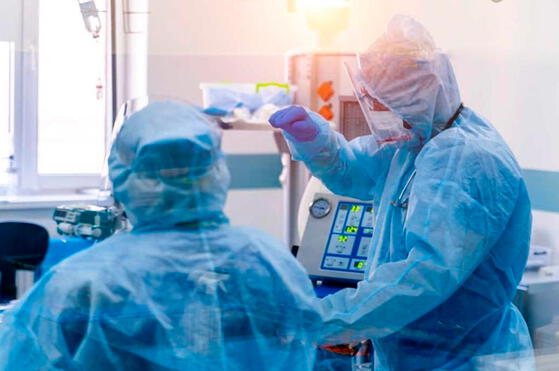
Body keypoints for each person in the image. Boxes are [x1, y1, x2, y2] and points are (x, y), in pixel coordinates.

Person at [270, 15, 533, 370]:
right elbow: (352, 171)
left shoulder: (468, 159)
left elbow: (423, 277)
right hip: (410, 349)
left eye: (386, 103)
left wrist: (327, 319)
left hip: (463, 357)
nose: (380, 114)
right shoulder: (412, 143)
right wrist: (314, 139)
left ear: (417, 96)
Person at [0, 101, 322, 370]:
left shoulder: (81, 283)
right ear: (216, 172)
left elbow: (22, 358)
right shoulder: (270, 262)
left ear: (125, 176)